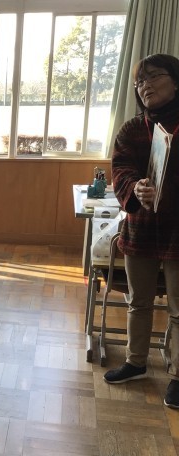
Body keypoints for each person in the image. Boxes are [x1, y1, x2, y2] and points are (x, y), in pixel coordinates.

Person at [104, 54, 179, 409]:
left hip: (178, 230)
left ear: (175, 81)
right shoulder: (132, 129)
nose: (144, 86)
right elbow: (120, 169)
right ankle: (136, 362)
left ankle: (178, 374)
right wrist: (135, 188)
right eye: (139, 82)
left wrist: (166, 190)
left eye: (153, 77)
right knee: (138, 300)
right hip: (141, 227)